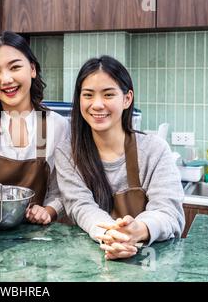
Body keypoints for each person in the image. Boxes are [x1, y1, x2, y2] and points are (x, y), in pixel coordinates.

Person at [55, 55, 185, 259]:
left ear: (127, 99)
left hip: (150, 263)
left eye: (108, 95)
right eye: (88, 95)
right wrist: (110, 235)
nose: (97, 104)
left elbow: (169, 212)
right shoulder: (67, 153)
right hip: (91, 263)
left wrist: (138, 230)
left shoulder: (154, 150)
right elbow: (81, 206)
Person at [0, 31, 69, 225]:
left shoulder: (56, 126)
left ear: (32, 69)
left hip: (35, 240)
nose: (6, 79)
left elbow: (61, 191)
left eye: (14, 67)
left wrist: (48, 210)